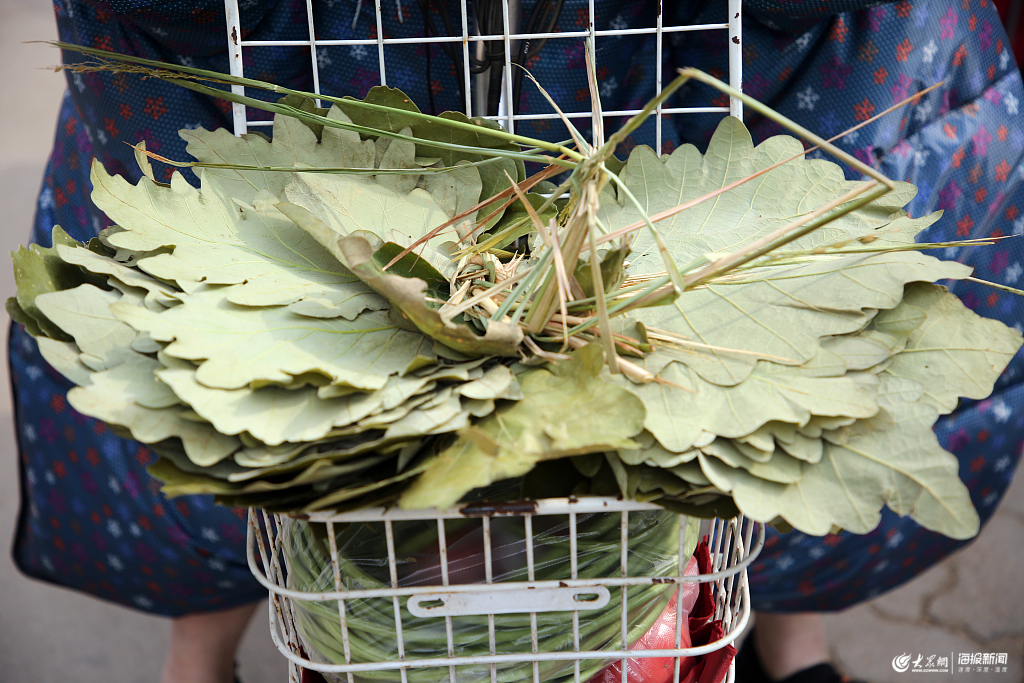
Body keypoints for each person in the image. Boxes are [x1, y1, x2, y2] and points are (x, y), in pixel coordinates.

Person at [11, 1, 1023, 682]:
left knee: (780, 417)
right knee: (228, 419)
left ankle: (784, 622)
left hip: (710, 56)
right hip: (319, 53)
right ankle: (205, 640)